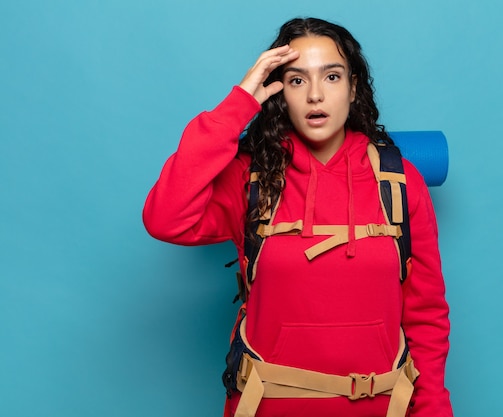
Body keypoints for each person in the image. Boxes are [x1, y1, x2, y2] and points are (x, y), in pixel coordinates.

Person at [143, 17, 453, 417]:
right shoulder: (250, 177)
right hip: (265, 405)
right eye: (297, 80)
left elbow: (427, 319)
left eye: (332, 76)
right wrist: (238, 105)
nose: (315, 96)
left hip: (382, 407)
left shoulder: (400, 182)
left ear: (353, 86)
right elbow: (165, 218)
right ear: (277, 91)